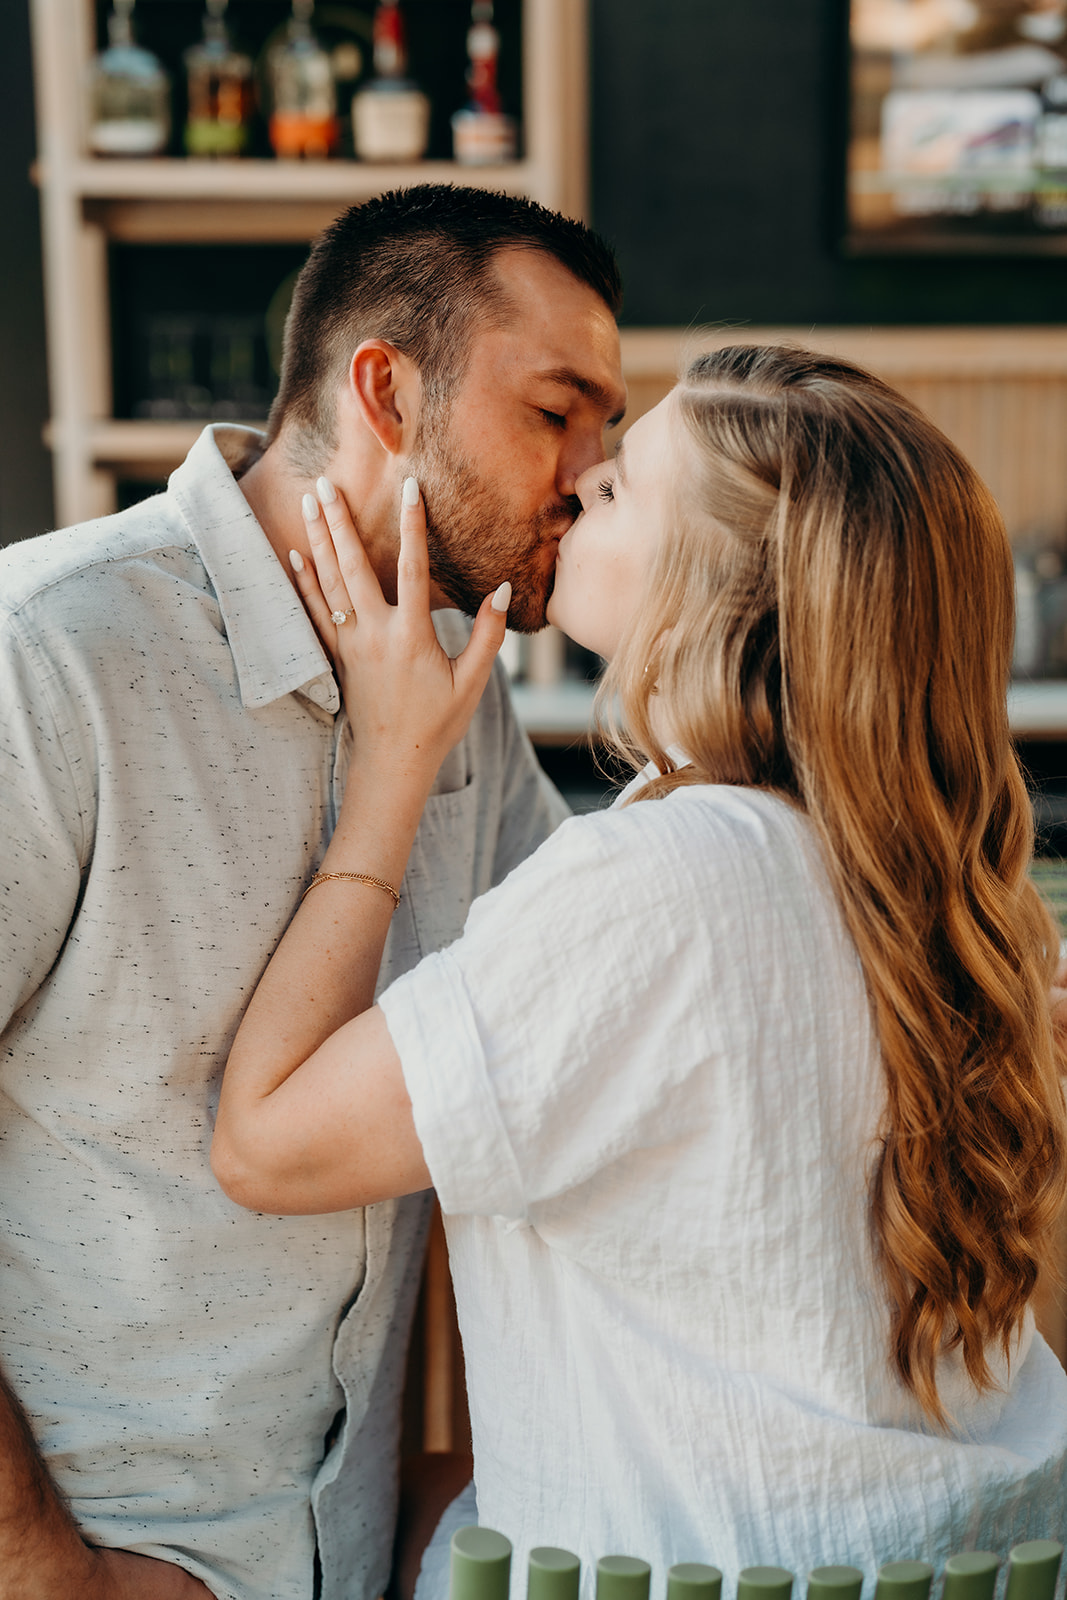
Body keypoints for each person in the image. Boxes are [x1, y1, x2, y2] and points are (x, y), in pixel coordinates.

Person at [212, 343, 1067, 1596]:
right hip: (974, 1557)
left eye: (614, 490)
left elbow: (267, 1142)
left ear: (719, 594)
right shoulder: (933, 881)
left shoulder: (654, 887)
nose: (571, 490)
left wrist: (390, 772)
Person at [0, 184, 625, 1600]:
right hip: (105, 1551)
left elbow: (586, 997)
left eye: (610, 432)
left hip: (352, 1559)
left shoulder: (458, 689)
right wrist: (41, 1572)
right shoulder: (49, 654)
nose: (588, 475)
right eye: (552, 415)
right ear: (384, 394)